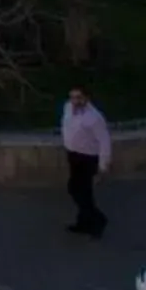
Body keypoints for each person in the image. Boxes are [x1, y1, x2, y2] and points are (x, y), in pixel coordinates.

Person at [61, 87, 112, 237]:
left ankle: (97, 220)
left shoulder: (94, 118)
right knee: (77, 190)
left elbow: (104, 141)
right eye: (72, 97)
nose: (75, 101)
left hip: (87, 158)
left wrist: (103, 165)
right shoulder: (68, 108)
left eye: (79, 97)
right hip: (73, 155)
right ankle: (84, 221)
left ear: (86, 98)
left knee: (81, 191)